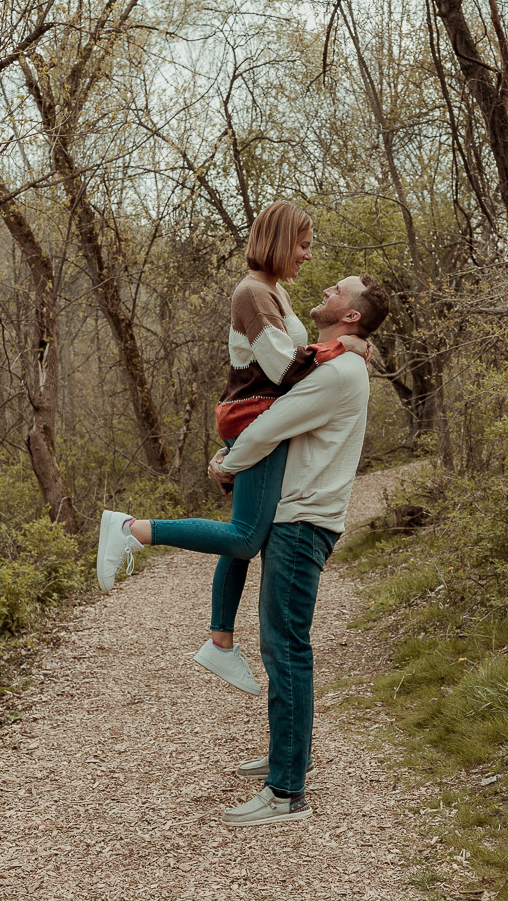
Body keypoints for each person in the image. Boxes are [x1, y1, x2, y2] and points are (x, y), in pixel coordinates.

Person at [95, 201, 369, 695]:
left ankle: (220, 642)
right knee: (245, 536)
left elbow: (290, 367)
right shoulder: (252, 295)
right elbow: (285, 369)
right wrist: (343, 347)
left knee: (247, 534)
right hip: (253, 415)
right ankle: (131, 529)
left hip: (261, 416)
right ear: (283, 241)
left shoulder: (274, 292)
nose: (307, 256)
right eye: (303, 246)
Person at [207, 273, 391, 826]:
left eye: (339, 289)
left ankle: (286, 792)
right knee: (285, 648)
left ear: (352, 314)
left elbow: (270, 423)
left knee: (285, 651)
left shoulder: (338, 373)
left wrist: (226, 464)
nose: (328, 289)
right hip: (305, 518)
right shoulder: (342, 360)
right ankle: (286, 757)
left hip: (302, 522)